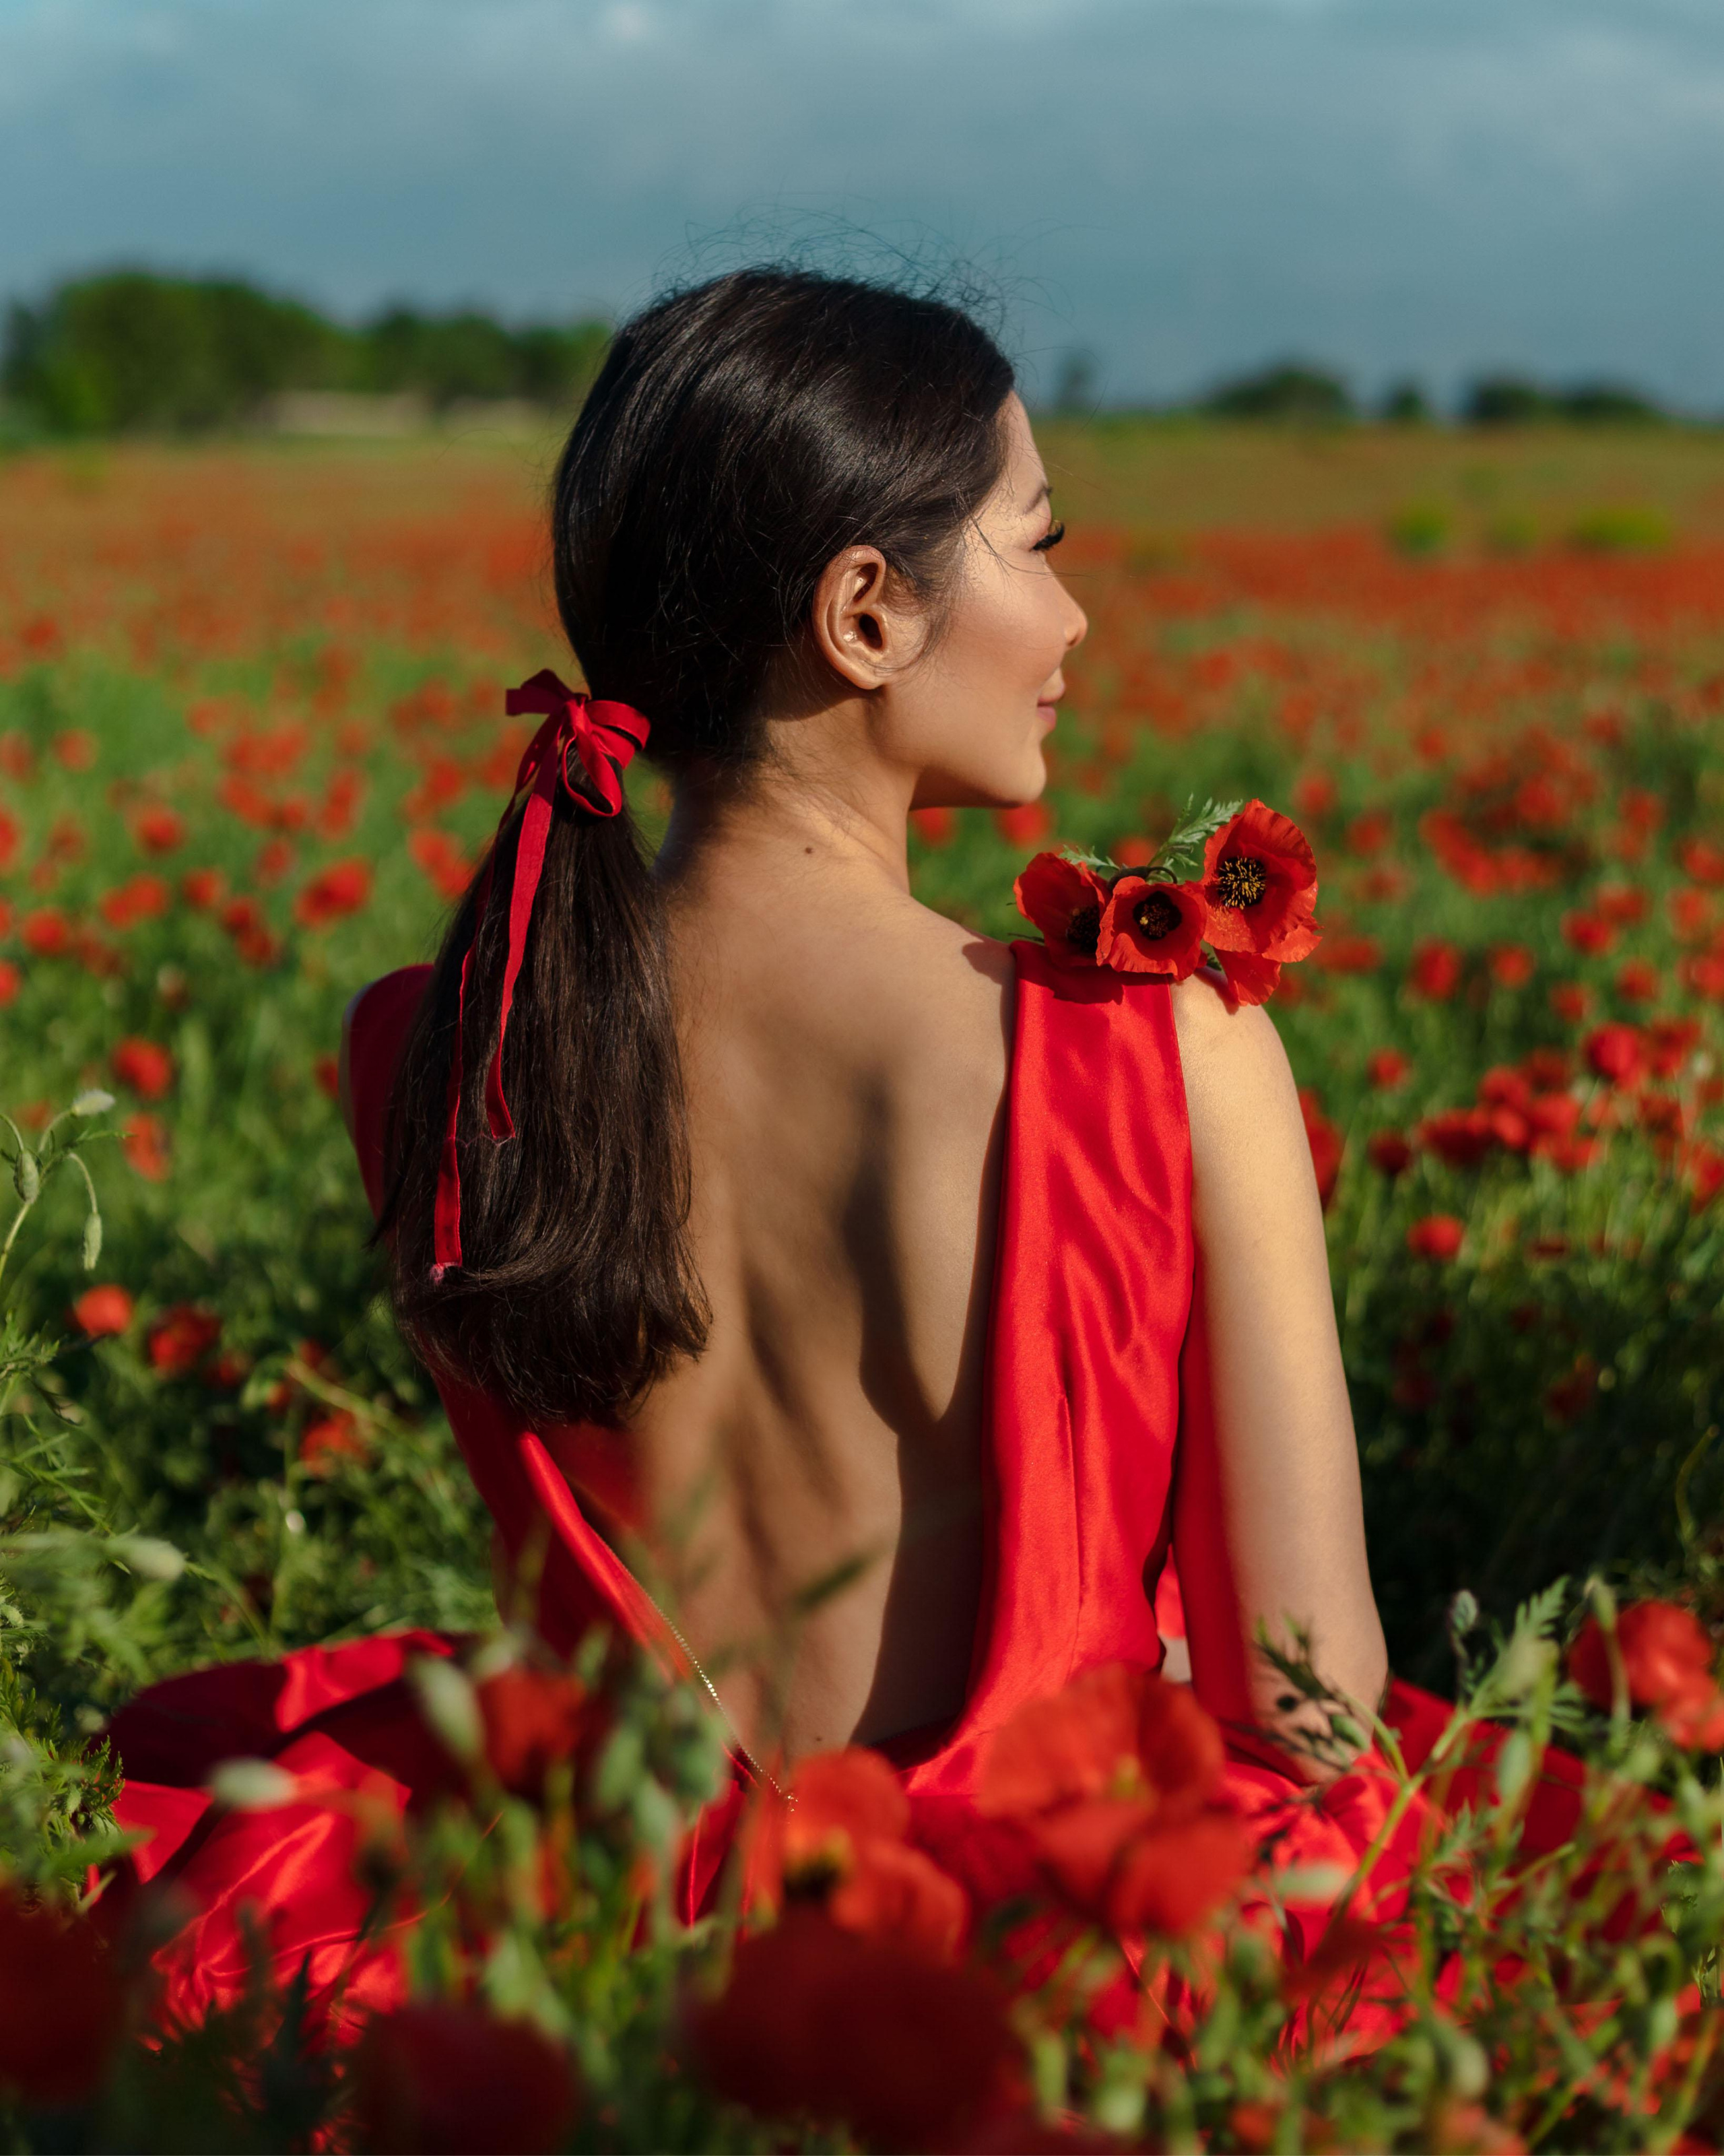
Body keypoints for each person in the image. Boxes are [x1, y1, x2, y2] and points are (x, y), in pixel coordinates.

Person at [108, 268, 1399, 2019]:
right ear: (866, 611)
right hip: (1001, 1949)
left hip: (589, 1923)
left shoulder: (446, 1041)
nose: (1077, 616)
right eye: (1038, 543)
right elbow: (1302, 1707)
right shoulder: (1156, 1048)